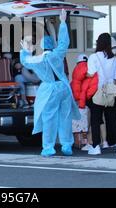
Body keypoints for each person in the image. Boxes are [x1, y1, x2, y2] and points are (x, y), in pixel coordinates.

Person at [20, 9, 80, 157]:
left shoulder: (36, 60)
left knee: (49, 118)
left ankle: (48, 147)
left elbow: (24, 61)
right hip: (64, 88)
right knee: (65, 117)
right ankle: (67, 145)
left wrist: (26, 50)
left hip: (50, 90)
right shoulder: (57, 54)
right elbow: (64, 42)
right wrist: (63, 22)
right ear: (51, 45)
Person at [86, 33, 116, 155]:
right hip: (111, 90)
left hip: (97, 91)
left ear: (98, 43)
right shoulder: (114, 58)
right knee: (113, 119)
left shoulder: (93, 57)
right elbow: (115, 78)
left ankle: (96, 147)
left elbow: (91, 73)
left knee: (96, 119)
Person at [70, 54, 98, 150]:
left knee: (77, 123)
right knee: (89, 122)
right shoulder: (90, 68)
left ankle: (78, 143)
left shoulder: (76, 70)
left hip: (78, 101)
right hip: (89, 99)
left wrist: (77, 99)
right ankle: (88, 142)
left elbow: (74, 86)